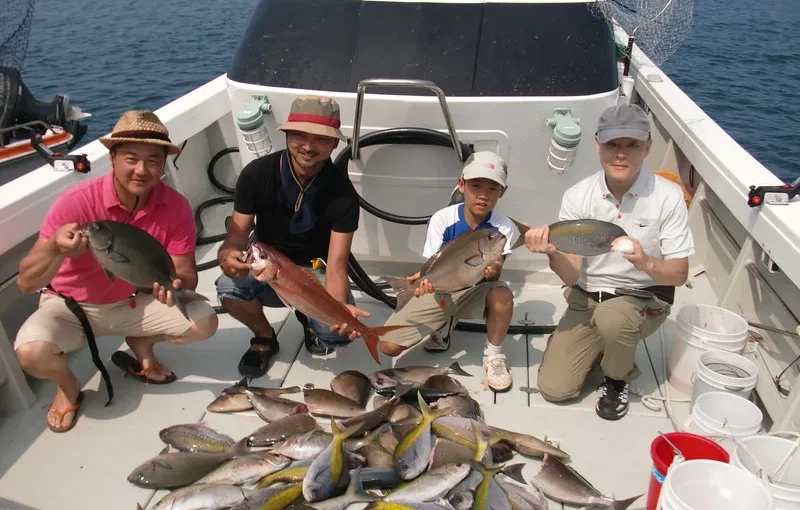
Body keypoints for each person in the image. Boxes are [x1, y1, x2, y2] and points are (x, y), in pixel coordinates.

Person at [14, 110, 219, 433]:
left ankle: (141, 344)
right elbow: (27, 284)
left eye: (153, 160)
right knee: (31, 352)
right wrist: (55, 247)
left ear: (163, 163)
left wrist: (172, 286)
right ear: (112, 158)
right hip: (70, 308)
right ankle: (68, 386)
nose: (141, 170)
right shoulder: (76, 202)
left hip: (132, 302)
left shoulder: (175, 206)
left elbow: (185, 275)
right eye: (131, 159)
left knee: (204, 322)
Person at [524, 103, 694, 420]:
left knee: (613, 320)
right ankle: (584, 343)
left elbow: (679, 274)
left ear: (647, 147)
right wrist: (552, 252)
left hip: (642, 297)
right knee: (554, 389)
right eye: (613, 144)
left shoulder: (668, 196)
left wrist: (645, 262)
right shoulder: (578, 195)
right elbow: (572, 273)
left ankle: (617, 378)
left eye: (631, 144)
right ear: (597, 144)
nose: (620, 154)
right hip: (586, 297)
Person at [216, 95, 371, 378]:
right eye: (299, 135)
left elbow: (336, 264)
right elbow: (234, 241)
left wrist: (340, 311)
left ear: (335, 144)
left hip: (316, 267)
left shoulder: (343, 194)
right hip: (267, 262)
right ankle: (264, 336)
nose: (308, 147)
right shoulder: (256, 175)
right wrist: (227, 258)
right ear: (286, 135)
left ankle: (312, 322)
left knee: (337, 335)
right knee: (228, 285)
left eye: (321, 139)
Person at [378, 151, 516, 393]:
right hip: (442, 288)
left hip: (477, 288)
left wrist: (493, 271)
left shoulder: (504, 228)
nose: (483, 195)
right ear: (461, 184)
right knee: (387, 345)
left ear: (502, 191)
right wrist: (420, 282)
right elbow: (432, 266)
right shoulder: (442, 219)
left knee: (503, 295)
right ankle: (443, 325)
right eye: (476, 185)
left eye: (493, 188)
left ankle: (493, 356)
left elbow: (493, 276)